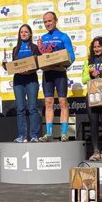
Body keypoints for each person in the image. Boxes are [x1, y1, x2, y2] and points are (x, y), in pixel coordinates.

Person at [37, 11, 75, 142]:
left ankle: (64, 133)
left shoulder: (63, 36)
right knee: (48, 102)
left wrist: (63, 63)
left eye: (49, 20)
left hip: (60, 73)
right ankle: (48, 133)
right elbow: (39, 58)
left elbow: (71, 56)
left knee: (63, 102)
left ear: (55, 20)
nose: (48, 23)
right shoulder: (42, 39)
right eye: (45, 22)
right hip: (48, 74)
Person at [11, 24, 41, 143]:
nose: (23, 34)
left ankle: (34, 135)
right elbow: (14, 65)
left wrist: (29, 70)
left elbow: (39, 64)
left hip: (31, 79)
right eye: (21, 32)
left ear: (30, 34)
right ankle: (21, 135)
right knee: (20, 109)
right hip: (18, 79)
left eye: (26, 32)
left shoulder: (34, 47)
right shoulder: (15, 49)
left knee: (33, 108)